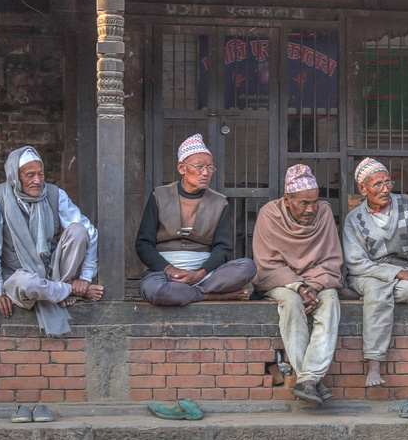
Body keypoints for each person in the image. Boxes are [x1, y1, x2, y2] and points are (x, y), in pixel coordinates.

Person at [0, 146, 102, 338]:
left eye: (41, 174)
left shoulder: (55, 194)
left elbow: (90, 232)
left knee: (79, 231)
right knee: (27, 282)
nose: (38, 181)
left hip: (53, 273)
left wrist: (86, 277)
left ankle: (57, 289)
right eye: (30, 175)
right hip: (17, 276)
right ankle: (67, 291)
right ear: (15, 176)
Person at [254, 164, 344, 406]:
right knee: (291, 302)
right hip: (280, 279)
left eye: (314, 202)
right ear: (287, 199)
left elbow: (332, 260)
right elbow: (266, 264)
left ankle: (307, 379)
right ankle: (311, 379)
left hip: (317, 280)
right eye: (304, 203)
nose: (311, 208)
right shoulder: (269, 214)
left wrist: (313, 286)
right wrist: (299, 287)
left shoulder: (324, 212)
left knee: (331, 300)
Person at [343, 157, 408, 389]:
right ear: (362, 189)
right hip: (367, 275)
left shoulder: (405, 205)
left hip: (405, 275)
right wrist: (397, 273)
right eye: (378, 185)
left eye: (388, 183)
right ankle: (374, 361)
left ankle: (365, 298)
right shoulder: (354, 219)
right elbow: (356, 264)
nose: (385, 189)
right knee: (376, 287)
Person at [135, 134, 256, 306]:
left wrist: (199, 274)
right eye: (199, 167)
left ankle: (189, 292)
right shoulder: (159, 196)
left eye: (210, 168)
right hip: (164, 273)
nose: (205, 173)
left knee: (247, 267)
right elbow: (143, 244)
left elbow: (223, 248)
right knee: (155, 290)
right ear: (182, 168)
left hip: (205, 273)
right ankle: (210, 296)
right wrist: (170, 270)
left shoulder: (219, 202)